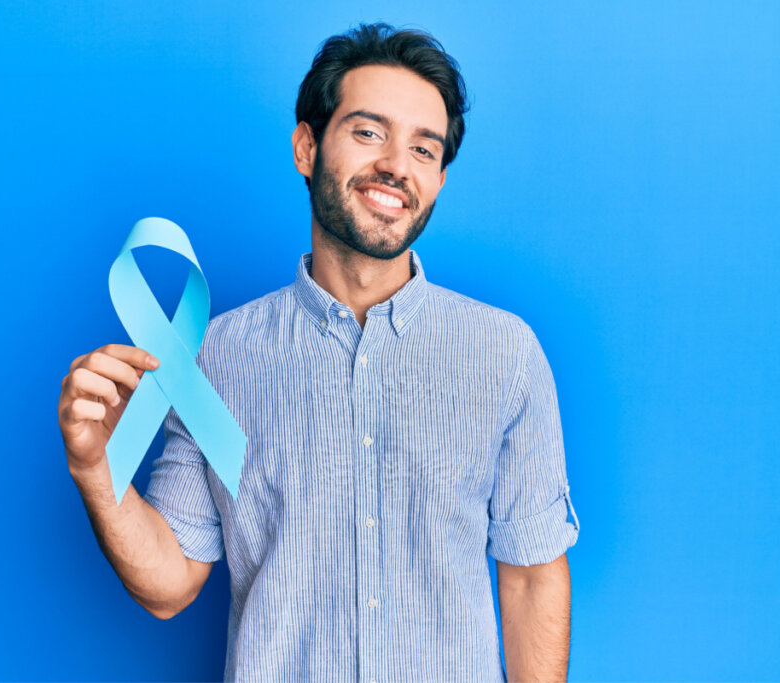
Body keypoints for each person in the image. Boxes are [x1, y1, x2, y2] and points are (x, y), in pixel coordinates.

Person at [57, 22, 580, 682]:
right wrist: (95, 469)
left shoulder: (506, 355)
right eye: (368, 132)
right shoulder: (215, 358)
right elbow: (168, 581)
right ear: (307, 146)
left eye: (425, 148)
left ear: (440, 178)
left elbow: (533, 578)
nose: (396, 163)